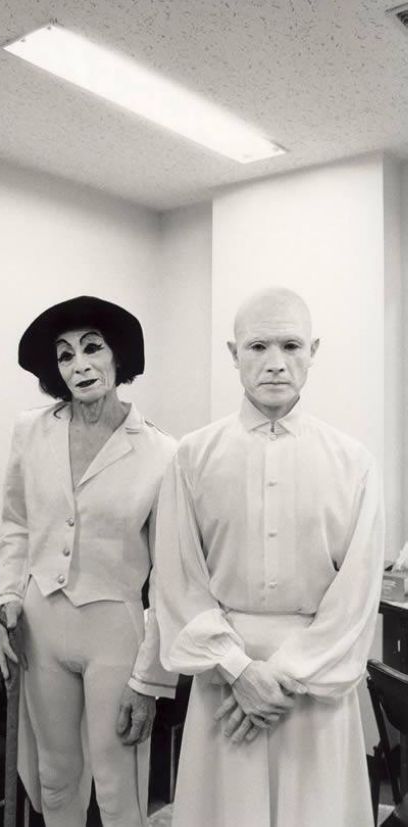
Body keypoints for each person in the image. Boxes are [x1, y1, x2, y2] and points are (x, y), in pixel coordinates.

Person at [155, 287, 384, 827]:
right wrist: (239, 672)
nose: (276, 363)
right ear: (233, 354)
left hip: (316, 684)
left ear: (313, 350)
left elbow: (356, 596)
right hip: (223, 677)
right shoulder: (192, 457)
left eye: (291, 345)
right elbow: (178, 580)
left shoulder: (354, 463)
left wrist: (279, 677)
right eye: (258, 346)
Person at [0, 295, 177, 827]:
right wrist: (7, 599)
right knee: (55, 778)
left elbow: (171, 575)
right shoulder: (31, 431)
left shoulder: (162, 452)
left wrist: (150, 679)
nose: (80, 365)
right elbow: (17, 524)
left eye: (92, 348)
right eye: (65, 355)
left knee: (118, 790)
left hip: (114, 632)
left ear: (118, 356)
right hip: (40, 626)